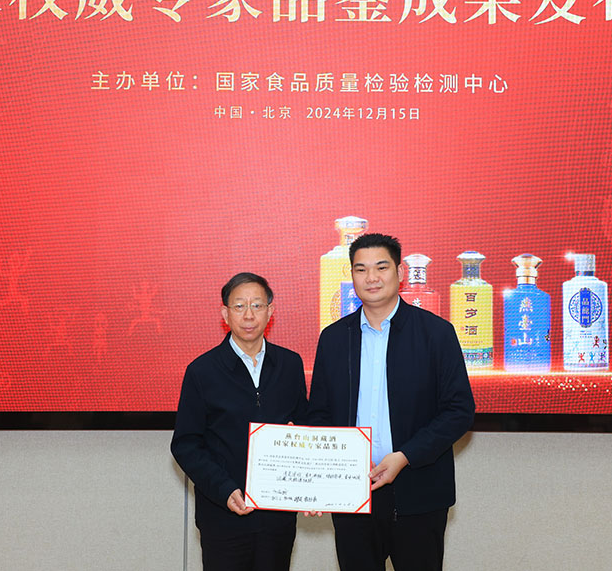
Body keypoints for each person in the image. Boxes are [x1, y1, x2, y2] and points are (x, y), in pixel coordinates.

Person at [308, 233, 475, 571]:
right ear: (352, 276)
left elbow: (459, 410)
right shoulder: (334, 338)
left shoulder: (436, 333)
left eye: (381, 267)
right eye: (361, 269)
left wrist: (405, 456)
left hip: (419, 490)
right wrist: (317, 480)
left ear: (399, 272)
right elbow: (320, 415)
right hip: (352, 492)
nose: (371, 277)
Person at [171, 272, 308, 571]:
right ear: (225, 314)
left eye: (257, 305)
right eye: (239, 306)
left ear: (270, 311)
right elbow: (185, 444)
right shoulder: (202, 371)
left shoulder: (290, 365)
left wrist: (312, 487)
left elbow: (305, 429)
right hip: (223, 515)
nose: (249, 315)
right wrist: (224, 489)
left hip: (277, 517)